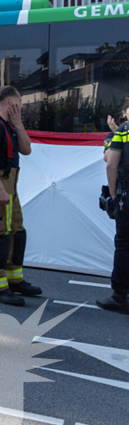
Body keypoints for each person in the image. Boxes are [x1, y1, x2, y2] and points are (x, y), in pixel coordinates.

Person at [0, 86, 42, 306]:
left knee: (16, 232)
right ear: (11, 102)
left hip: (9, 184)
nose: (22, 105)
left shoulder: (8, 125)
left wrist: (19, 124)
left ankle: (13, 280)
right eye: (20, 101)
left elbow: (27, 150)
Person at [100, 101, 129, 314]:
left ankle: (119, 296)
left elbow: (110, 162)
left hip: (127, 196)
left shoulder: (124, 130)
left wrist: (113, 195)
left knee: (124, 245)